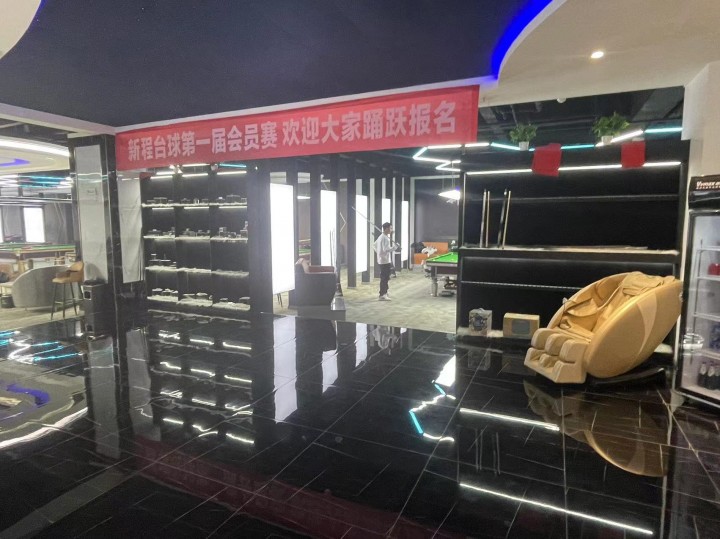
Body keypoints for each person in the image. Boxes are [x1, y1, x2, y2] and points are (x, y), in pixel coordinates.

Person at [374, 222, 398, 301]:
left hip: (382, 260)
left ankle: (384, 293)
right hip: (385, 261)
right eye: (390, 228)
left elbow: (374, 245)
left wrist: (379, 253)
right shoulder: (385, 238)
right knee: (385, 278)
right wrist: (395, 247)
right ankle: (382, 295)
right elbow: (386, 249)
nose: (391, 230)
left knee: (385, 277)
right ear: (387, 229)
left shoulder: (381, 237)